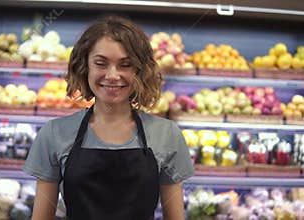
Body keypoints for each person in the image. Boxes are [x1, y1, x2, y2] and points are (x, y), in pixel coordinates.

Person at [23, 15, 194, 220]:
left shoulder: (167, 134)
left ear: (140, 70)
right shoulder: (54, 133)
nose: (113, 75)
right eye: (101, 63)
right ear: (85, 67)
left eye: (125, 65)